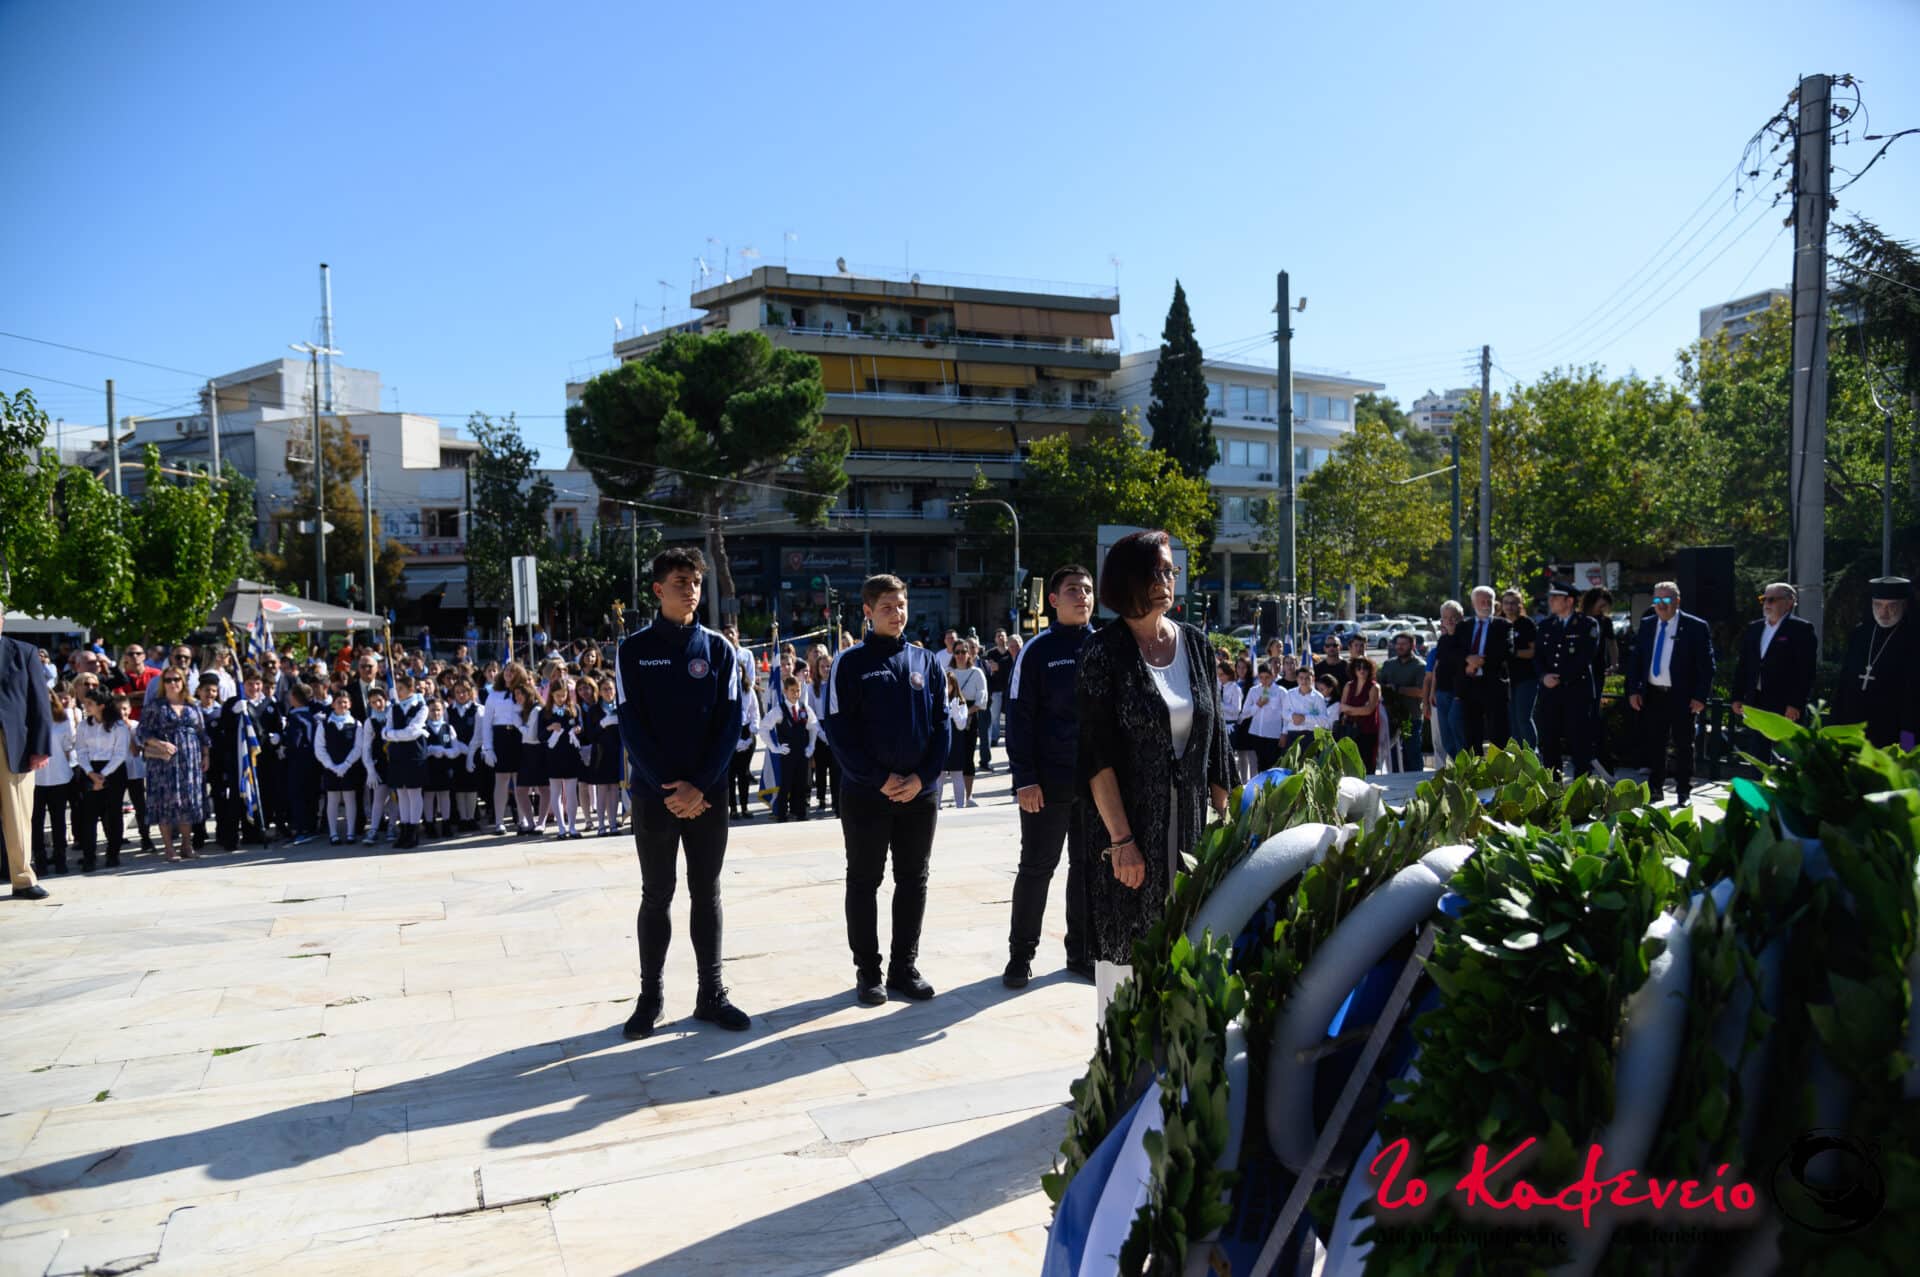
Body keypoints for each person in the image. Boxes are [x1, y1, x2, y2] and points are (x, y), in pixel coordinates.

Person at [1076, 531, 1232, 1022]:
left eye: (1171, 571)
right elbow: (1096, 757)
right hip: (1129, 835)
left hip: (1191, 832)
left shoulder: (1197, 646)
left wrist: (1226, 822)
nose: (1168, 580)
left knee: (1190, 953)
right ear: (1129, 580)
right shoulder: (1103, 652)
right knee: (1126, 962)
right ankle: (1120, 1063)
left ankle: (1176, 1061)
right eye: (1157, 571)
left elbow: (1217, 744)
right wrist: (1122, 841)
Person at [615, 547, 751, 1038]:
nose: (690, 589)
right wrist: (668, 786)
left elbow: (730, 723)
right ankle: (650, 997)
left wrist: (700, 785)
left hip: (708, 794)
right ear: (658, 590)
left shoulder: (719, 649)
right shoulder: (633, 650)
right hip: (656, 796)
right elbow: (631, 726)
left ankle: (711, 995)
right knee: (657, 894)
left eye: (695, 582)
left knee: (707, 892)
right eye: (680, 582)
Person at [825, 574, 949, 1007]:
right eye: (887, 607)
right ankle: (868, 971)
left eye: (901, 606)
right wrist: (878, 778)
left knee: (913, 879)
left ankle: (904, 967)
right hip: (866, 794)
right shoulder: (849, 662)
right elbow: (838, 731)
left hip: (919, 794)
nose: (897, 614)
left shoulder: (925, 661)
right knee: (864, 880)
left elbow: (942, 726)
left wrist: (921, 779)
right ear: (867, 612)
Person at [1004, 564, 1096, 989]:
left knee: (1087, 871)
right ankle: (1020, 956)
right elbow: (1018, 717)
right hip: (1047, 784)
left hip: (1098, 786)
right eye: (1073, 589)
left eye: (1088, 589)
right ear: (1053, 600)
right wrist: (1024, 778)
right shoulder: (1037, 651)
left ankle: (1081, 953)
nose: (1082, 596)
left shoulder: (1105, 646)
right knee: (1037, 868)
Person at [1626, 581, 1715, 805]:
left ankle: (1683, 791)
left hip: (1682, 695)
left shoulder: (1695, 626)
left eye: (1666, 600)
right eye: (1657, 600)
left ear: (1677, 601)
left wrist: (1700, 696)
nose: (1661, 605)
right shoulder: (1647, 624)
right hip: (1653, 693)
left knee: (1683, 745)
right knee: (1655, 743)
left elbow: (1707, 666)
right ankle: (1655, 789)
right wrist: (1634, 690)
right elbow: (1637, 660)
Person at [0, 614, 54, 899]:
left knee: (17, 814)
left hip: (13, 745)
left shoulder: (24, 652)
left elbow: (39, 701)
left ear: (2, 620)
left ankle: (22, 880)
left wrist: (40, 746)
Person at [1833, 576, 1918, 749]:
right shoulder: (1860, 635)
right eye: (1878, 605)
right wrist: (1834, 724)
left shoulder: (1914, 638)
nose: (1883, 613)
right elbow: (1844, 682)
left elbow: (1914, 698)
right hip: (1854, 725)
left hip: (1896, 730)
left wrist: (1908, 744)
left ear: (1904, 605)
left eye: (1891, 606)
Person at [1732, 583, 1818, 742]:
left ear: (1789, 602)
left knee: (1784, 751)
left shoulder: (1801, 629)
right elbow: (1743, 665)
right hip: (1756, 702)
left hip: (1784, 705)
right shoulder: (1755, 628)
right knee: (1757, 750)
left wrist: (1795, 703)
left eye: (1772, 600)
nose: (1766, 604)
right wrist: (1737, 696)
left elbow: (1806, 671)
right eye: (1763, 599)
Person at [139, 670, 209, 862]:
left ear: (183, 681)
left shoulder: (192, 705)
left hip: (190, 761)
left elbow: (202, 732)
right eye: (168, 680)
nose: (172, 683)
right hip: (164, 762)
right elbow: (143, 732)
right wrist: (159, 743)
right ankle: (169, 847)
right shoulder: (155, 706)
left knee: (187, 801)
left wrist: (206, 755)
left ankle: (187, 845)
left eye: (176, 679)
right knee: (165, 802)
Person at [1535, 582, 1601, 781]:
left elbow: (1585, 657)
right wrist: (1543, 676)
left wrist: (1561, 677)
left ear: (1569, 601)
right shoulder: (1546, 625)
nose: (1551, 601)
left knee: (1580, 743)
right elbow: (1538, 656)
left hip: (1576, 691)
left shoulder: (1587, 624)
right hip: (1550, 692)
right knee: (1549, 742)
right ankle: (1553, 788)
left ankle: (1581, 789)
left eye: (1556, 597)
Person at [758, 673, 820, 822]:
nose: (795, 694)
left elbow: (814, 726)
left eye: (798, 690)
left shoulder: (804, 709)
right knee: (786, 784)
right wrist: (774, 748)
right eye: (792, 690)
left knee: (802, 783)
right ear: (785, 691)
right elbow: (764, 728)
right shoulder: (779, 710)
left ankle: (800, 812)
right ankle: (781, 814)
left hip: (802, 753)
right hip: (787, 753)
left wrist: (811, 745)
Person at [31, 687, 77, 877]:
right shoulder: (29, 719)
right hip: (35, 778)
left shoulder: (63, 719)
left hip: (59, 776)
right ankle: (40, 861)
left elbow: (68, 745)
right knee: (36, 821)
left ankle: (60, 859)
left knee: (59, 820)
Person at [315, 689, 362, 845]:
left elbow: (358, 747)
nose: (342, 705)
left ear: (350, 704)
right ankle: (333, 833)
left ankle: (350, 833)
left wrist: (346, 764)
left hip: (350, 767)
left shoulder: (356, 724)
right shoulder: (324, 724)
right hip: (331, 768)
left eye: (345, 702)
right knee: (333, 799)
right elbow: (319, 748)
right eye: (339, 702)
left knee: (350, 798)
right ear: (333, 704)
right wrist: (332, 766)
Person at [540, 676, 583, 840]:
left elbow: (580, 726)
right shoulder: (545, 712)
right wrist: (550, 727)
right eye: (557, 695)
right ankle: (561, 828)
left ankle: (572, 826)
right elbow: (540, 735)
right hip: (553, 756)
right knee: (556, 792)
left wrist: (578, 729)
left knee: (571, 793)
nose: (561, 698)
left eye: (563, 695)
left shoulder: (574, 709)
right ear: (551, 695)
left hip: (570, 755)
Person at [1377, 633, 1427, 771]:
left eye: (1404, 644)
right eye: (1398, 644)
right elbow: (1379, 686)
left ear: (1412, 645)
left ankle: (1416, 780)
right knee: (1393, 756)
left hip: (1412, 717)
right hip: (1391, 718)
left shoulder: (1420, 666)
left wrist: (1398, 689)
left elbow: (1421, 691)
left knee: (1412, 753)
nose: (1400, 647)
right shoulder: (1388, 664)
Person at [949, 639, 989, 806]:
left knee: (968, 755)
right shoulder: (948, 672)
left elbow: (982, 699)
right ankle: (955, 796)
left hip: (970, 718)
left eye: (963, 652)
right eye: (957, 652)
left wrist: (966, 713)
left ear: (969, 654)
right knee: (951, 758)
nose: (960, 655)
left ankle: (968, 796)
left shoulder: (977, 673)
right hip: (951, 717)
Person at [1428, 601, 1467, 762]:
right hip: (1441, 692)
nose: (1450, 620)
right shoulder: (1443, 640)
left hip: (1459, 693)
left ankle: (1466, 767)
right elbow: (1437, 667)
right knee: (1446, 737)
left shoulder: (1466, 638)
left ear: (1461, 617)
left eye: (1453, 617)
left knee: (1457, 729)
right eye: (1446, 617)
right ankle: (1457, 766)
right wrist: (1432, 692)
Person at [1501, 589, 1539, 748]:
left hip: (1526, 678)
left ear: (1520, 605)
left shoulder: (1526, 624)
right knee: (1512, 721)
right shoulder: (1499, 623)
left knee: (1523, 718)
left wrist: (1513, 653)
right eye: (1506, 603)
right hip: (1507, 679)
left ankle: (1532, 755)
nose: (1509, 607)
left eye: (1513, 603)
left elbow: (1533, 651)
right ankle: (1517, 757)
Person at [1337, 656, 1384, 773]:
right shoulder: (1349, 685)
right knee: (1349, 765)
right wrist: (1359, 709)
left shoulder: (1374, 687)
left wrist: (1350, 709)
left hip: (1368, 731)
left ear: (1370, 670)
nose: (1362, 670)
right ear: (1354, 670)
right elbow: (1342, 707)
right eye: (1358, 667)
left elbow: (1369, 710)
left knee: (1367, 765)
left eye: (1365, 668)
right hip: (1350, 730)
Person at [805, 646, 837, 817]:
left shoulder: (836, 686)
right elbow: (810, 712)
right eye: (822, 667)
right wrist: (821, 733)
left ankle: (836, 800)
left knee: (835, 768)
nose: (826, 669)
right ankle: (821, 799)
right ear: (817, 669)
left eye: (829, 666)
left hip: (834, 727)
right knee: (821, 768)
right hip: (819, 727)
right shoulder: (812, 688)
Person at [1244, 661, 1289, 771]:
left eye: (1267, 677)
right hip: (1256, 733)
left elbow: (1286, 714)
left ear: (1273, 676)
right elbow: (1245, 712)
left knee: (1273, 764)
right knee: (1260, 765)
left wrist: (1284, 733)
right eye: (1261, 677)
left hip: (1274, 735)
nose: (1264, 680)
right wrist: (1258, 705)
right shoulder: (1253, 690)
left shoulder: (1281, 691)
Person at [936, 672, 972, 809]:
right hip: (942, 742)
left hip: (956, 743)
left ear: (954, 685)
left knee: (957, 774)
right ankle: (936, 805)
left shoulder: (961, 702)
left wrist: (956, 713)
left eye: (949, 684)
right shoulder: (938, 701)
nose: (947, 687)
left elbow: (961, 725)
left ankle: (960, 805)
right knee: (939, 775)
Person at [422, 698, 457, 839]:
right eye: (432, 710)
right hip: (429, 767)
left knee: (444, 795)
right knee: (429, 796)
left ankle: (446, 823)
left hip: (445, 767)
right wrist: (430, 750)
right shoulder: (423, 728)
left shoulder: (448, 728)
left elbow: (455, 747)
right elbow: (420, 749)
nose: (435, 713)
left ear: (443, 711)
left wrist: (448, 752)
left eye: (438, 710)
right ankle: (430, 824)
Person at [980, 629, 1013, 771]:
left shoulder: (1010, 653)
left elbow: (1004, 667)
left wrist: (999, 667)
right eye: (998, 636)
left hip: (1009, 690)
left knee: (1010, 718)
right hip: (996, 689)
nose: (1000, 638)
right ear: (995, 639)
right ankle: (994, 738)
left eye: (1003, 636)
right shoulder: (991, 653)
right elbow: (988, 667)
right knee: (994, 716)